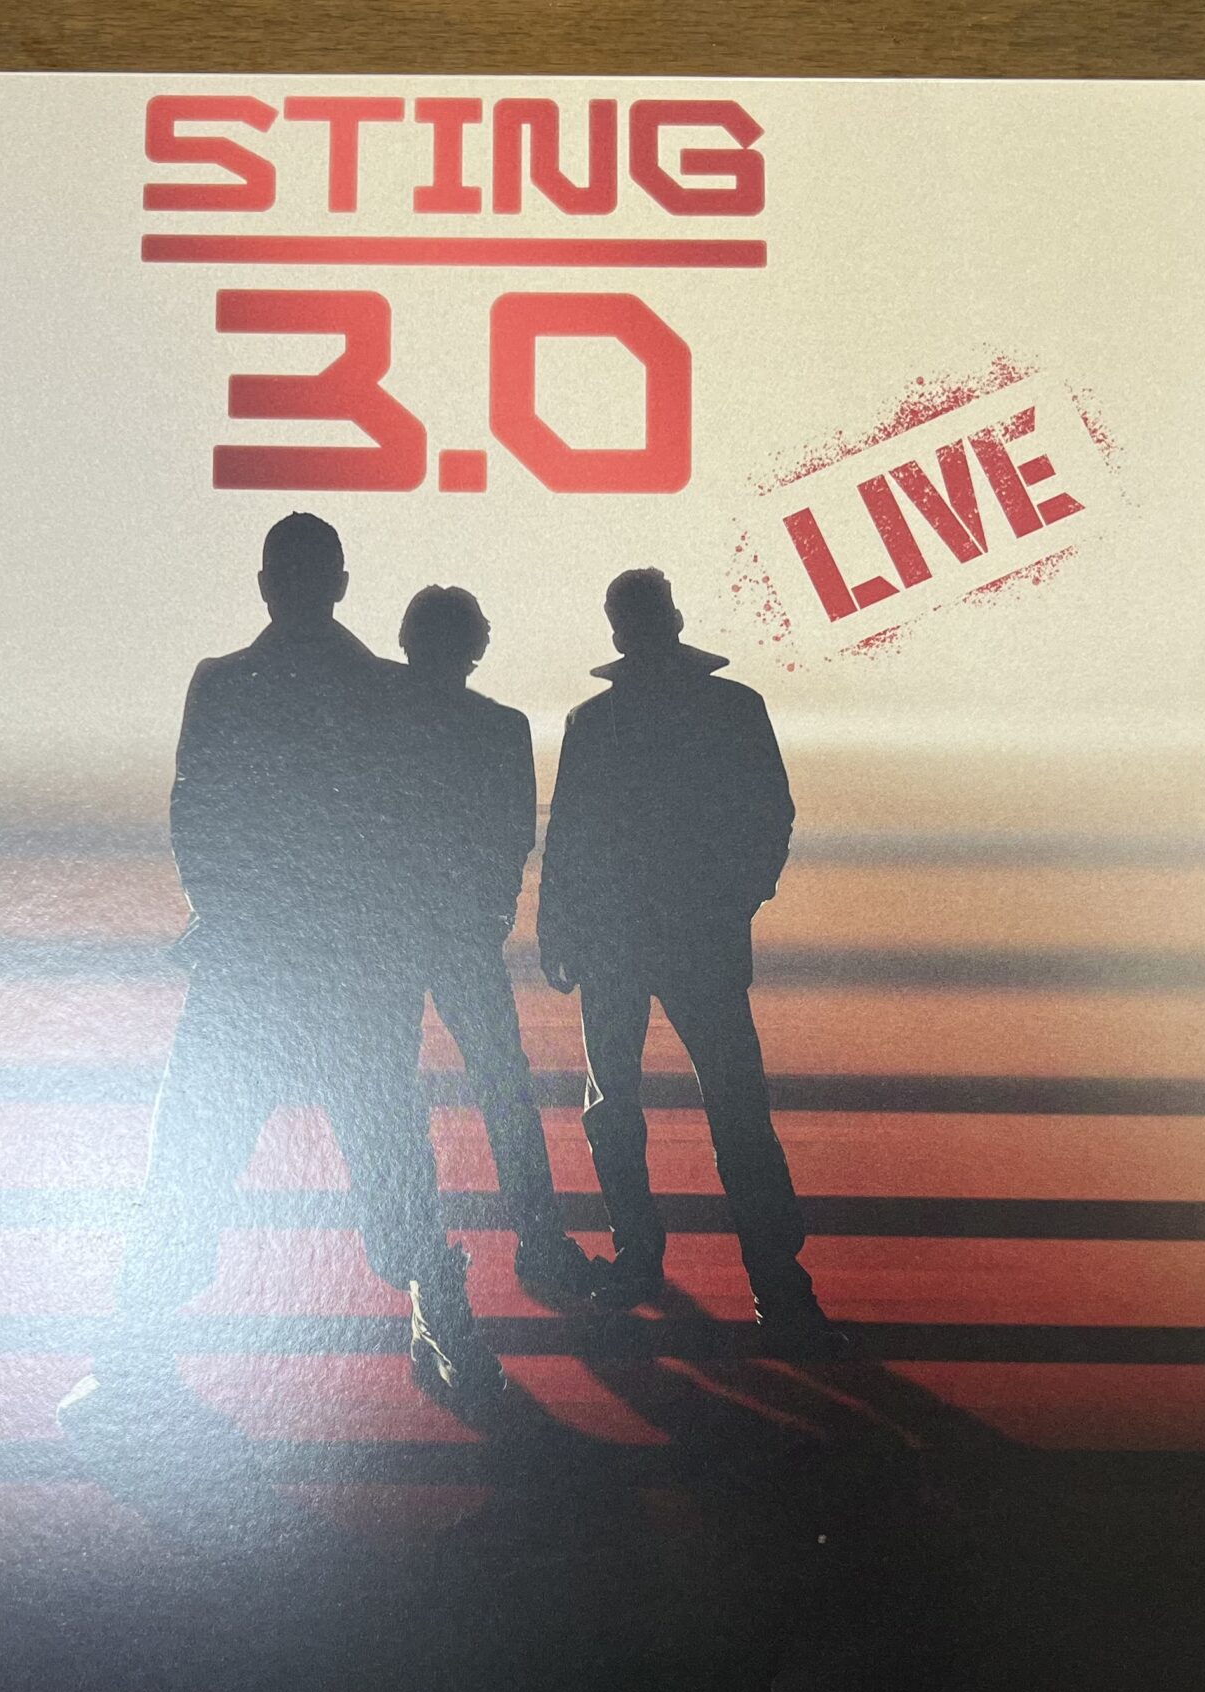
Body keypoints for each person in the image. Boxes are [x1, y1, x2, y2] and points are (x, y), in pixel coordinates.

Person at [64, 515, 505, 1444]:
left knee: (195, 1157)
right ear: (340, 584)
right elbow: (407, 829)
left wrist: (233, 915)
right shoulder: (387, 692)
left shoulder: (225, 683)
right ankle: (438, 1317)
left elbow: (196, 813)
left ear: (268, 584)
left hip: (251, 965)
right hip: (350, 966)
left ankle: (136, 1350)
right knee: (388, 1152)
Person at [536, 567, 848, 1361]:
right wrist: (737, 899)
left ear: (618, 632)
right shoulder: (732, 708)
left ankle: (640, 1258)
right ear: (674, 620)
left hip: (616, 939)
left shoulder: (594, 721)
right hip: (693, 938)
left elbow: (568, 836)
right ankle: (777, 1281)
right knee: (734, 1107)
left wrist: (558, 928)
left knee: (616, 1104)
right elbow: (769, 814)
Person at [391, 586, 601, 1305]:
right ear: (477, 647)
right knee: (504, 1086)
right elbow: (515, 834)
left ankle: (420, 1255)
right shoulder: (501, 727)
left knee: (395, 1090)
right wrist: (492, 910)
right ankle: (539, 1242)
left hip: (392, 931)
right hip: (463, 933)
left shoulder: (377, 721)